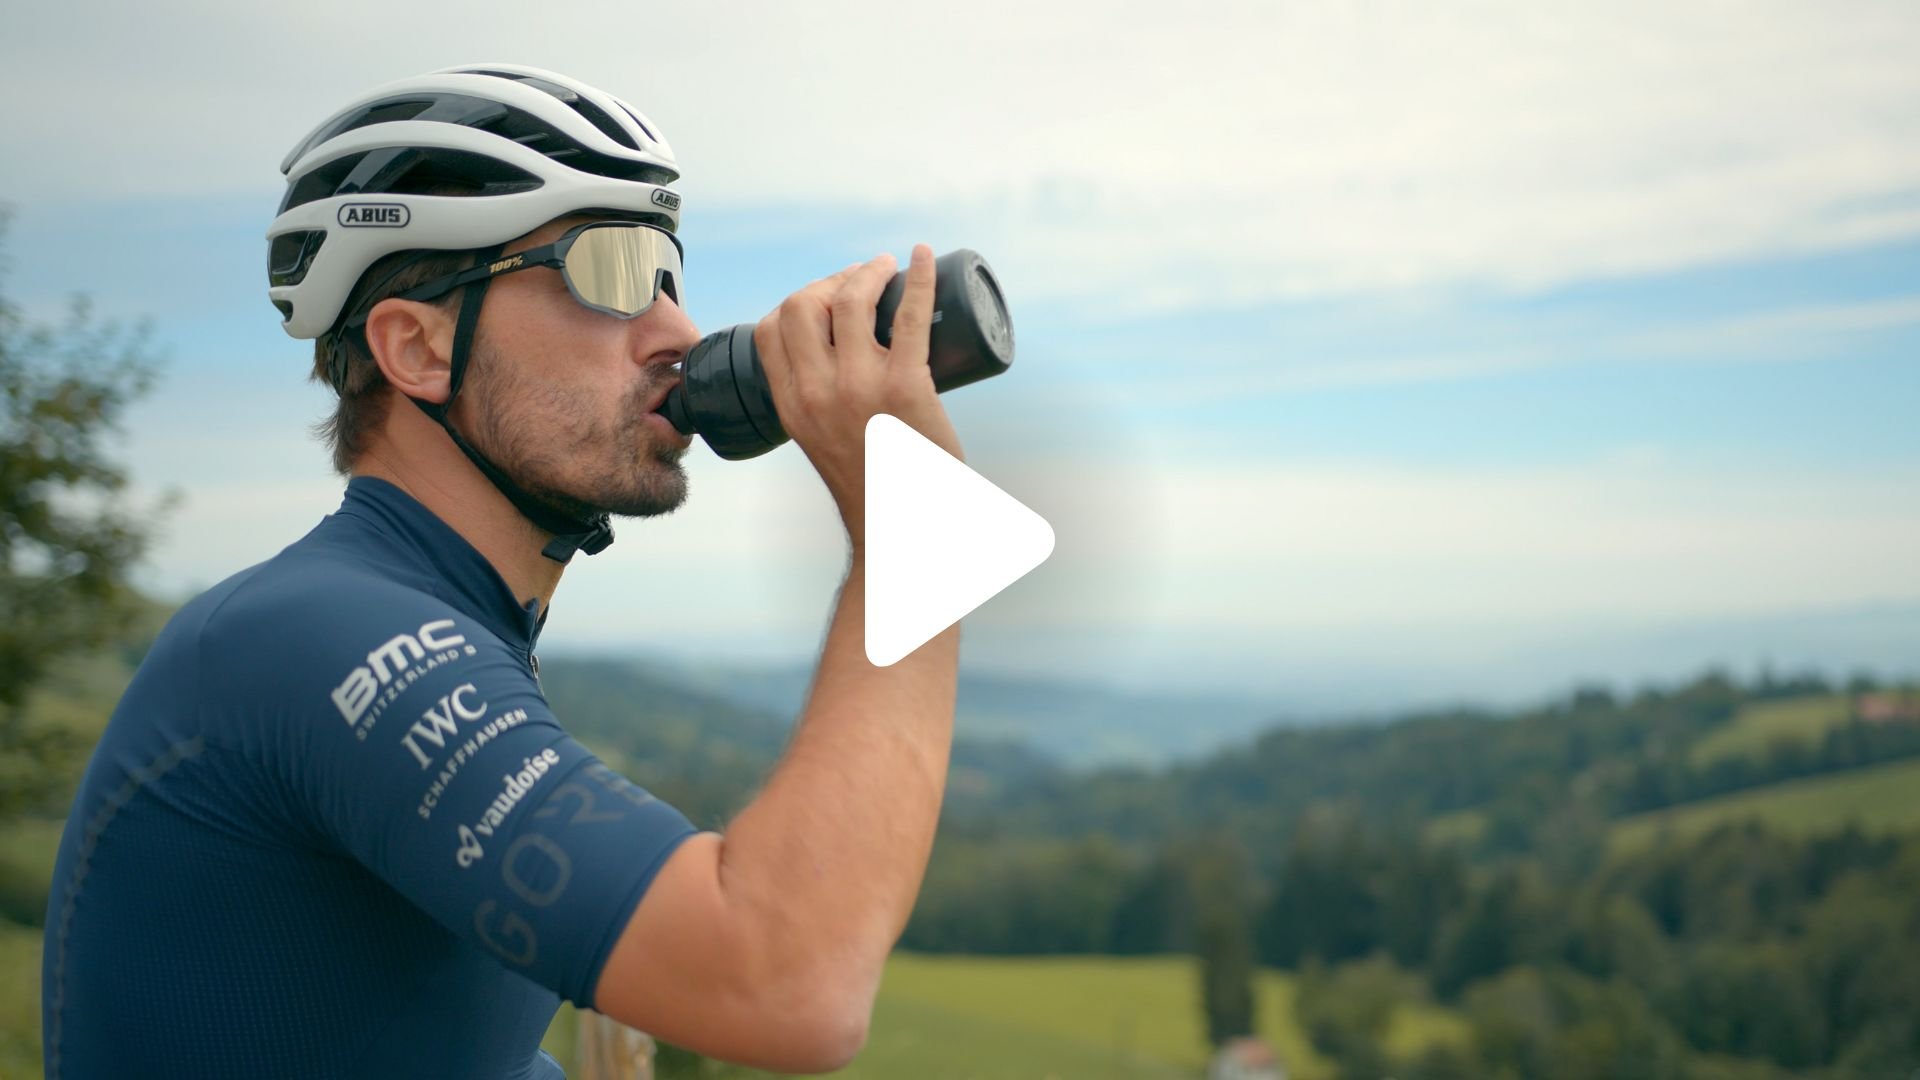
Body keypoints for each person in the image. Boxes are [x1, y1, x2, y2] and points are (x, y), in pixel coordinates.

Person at [41, 63, 964, 1079]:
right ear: (418, 349)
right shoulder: (317, 636)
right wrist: (911, 528)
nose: (678, 334)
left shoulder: (446, 625)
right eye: (610, 269)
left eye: (667, 272)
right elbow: (788, 987)